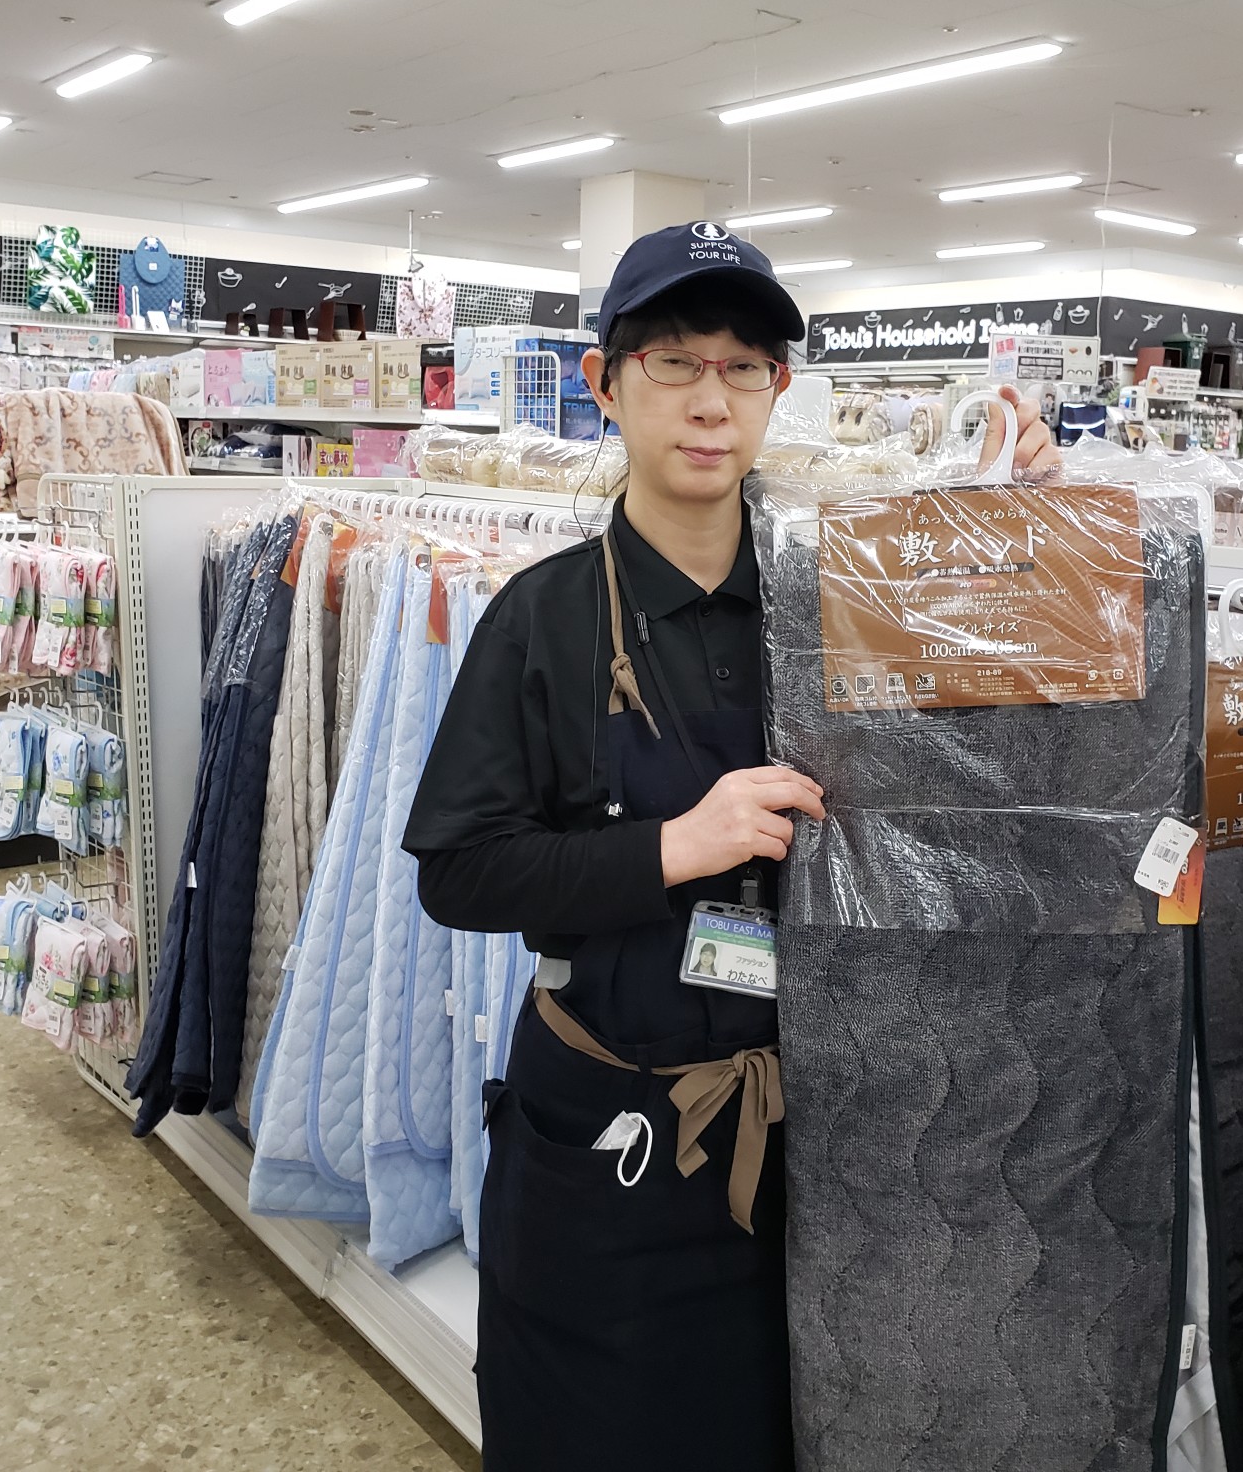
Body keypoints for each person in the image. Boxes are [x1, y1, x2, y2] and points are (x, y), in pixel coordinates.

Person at [403, 221, 1061, 1471]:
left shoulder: (846, 602)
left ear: (778, 391)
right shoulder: (540, 618)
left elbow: (999, 740)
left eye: (744, 367)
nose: (711, 401)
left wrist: (1026, 512)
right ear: (605, 383)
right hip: (609, 1142)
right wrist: (669, 849)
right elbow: (460, 870)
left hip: (823, 1148)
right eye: (674, 360)